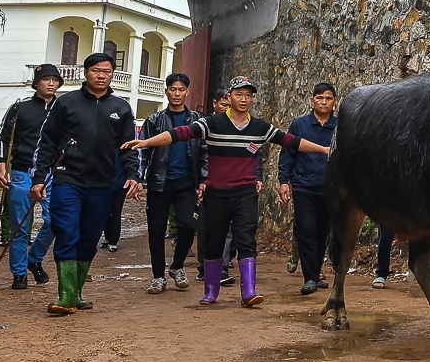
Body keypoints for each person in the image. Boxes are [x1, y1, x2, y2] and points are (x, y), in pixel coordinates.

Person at [123, 76, 328, 307]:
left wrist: (323, 149)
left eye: (248, 95)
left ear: (252, 98)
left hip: (245, 194)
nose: (244, 99)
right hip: (216, 194)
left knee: (246, 240)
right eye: (239, 94)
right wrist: (146, 142)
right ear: (229, 97)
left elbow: (292, 141)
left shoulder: (260, 127)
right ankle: (211, 291)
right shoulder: (212, 123)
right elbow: (179, 133)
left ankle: (249, 292)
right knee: (214, 242)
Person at [30, 53, 141, 317]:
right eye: (96, 70)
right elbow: (47, 143)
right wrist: (39, 178)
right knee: (67, 231)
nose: (101, 75)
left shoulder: (121, 108)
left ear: (112, 75)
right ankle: (65, 295)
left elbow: (129, 147)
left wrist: (133, 175)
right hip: (68, 179)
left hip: (103, 184)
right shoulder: (66, 103)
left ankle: (77, 294)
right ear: (86, 73)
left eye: (107, 71)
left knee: (90, 238)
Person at [0, 64, 63, 290]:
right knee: (20, 226)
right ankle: (19, 273)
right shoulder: (19, 108)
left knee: (55, 221)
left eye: (55, 80)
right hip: (21, 173)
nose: (51, 83)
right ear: (36, 83)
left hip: (52, 174)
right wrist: (1, 168)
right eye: (45, 79)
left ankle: (34, 259)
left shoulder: (63, 109)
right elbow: (2, 139)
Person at [136, 74, 206, 295]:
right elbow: (143, 153)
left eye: (181, 89)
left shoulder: (198, 120)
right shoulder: (154, 120)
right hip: (159, 182)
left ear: (187, 92)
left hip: (187, 182)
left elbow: (205, 151)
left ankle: (177, 266)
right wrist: (138, 179)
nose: (177, 94)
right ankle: (158, 276)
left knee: (188, 226)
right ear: (166, 91)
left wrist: (204, 180)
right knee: (156, 231)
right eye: (173, 89)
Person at [279, 83, 337, 295]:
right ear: (312, 100)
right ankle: (310, 278)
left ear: (334, 102)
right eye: (320, 98)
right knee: (306, 229)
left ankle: (316, 271)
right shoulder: (299, 125)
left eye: (328, 98)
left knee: (323, 232)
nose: (324, 102)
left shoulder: (339, 127)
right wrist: (284, 181)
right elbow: (288, 154)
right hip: (304, 186)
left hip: (330, 189)